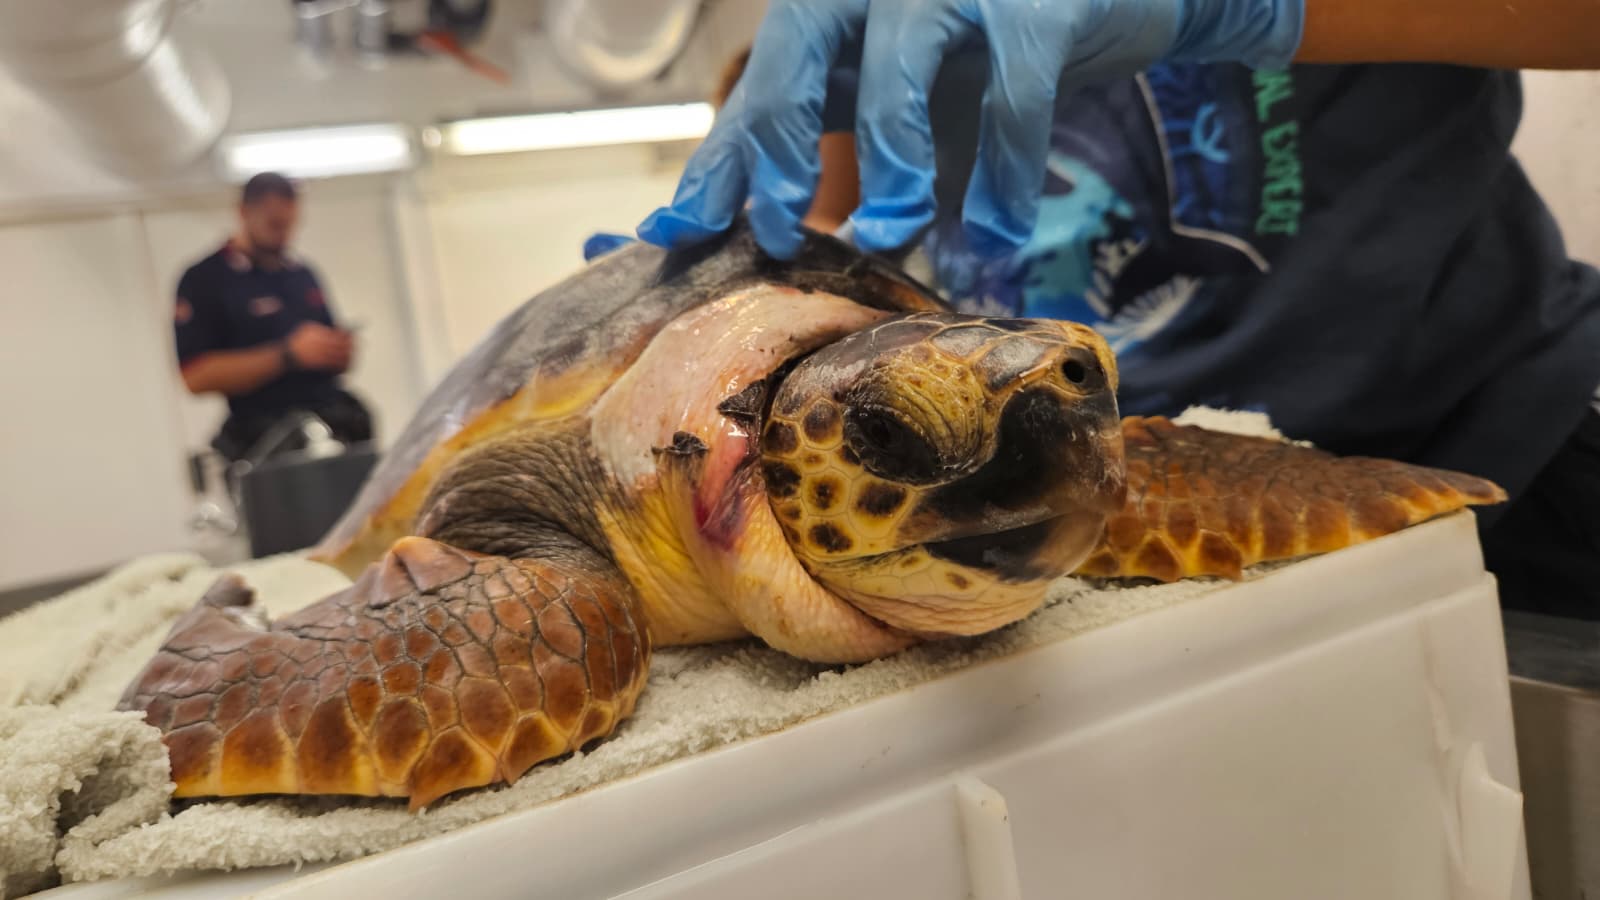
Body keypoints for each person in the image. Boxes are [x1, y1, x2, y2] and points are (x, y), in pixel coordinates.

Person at [636, 0, 1600, 618]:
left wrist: (1261, 11)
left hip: (1513, 424)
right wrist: (758, 253)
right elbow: (827, 208)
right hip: (1046, 506)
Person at [174, 173, 373, 463]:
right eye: (274, 224)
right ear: (244, 213)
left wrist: (336, 351)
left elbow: (335, 361)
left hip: (331, 422)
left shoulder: (301, 274)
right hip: (263, 440)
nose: (284, 234)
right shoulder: (205, 280)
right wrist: (288, 355)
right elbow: (195, 376)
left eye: (290, 224)